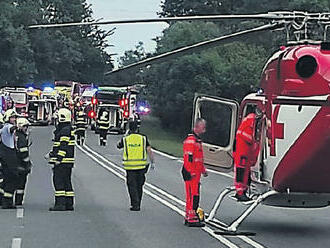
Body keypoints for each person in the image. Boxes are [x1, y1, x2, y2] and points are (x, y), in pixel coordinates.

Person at [117, 120, 154, 211]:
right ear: (137, 128)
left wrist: (125, 136)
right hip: (141, 167)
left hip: (130, 167)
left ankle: (135, 204)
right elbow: (149, 150)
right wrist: (152, 161)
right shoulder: (143, 138)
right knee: (139, 185)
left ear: (129, 129)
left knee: (132, 186)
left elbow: (118, 145)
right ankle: (138, 202)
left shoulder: (126, 139)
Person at [182, 118, 208, 227]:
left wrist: (203, 170)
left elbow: (198, 159)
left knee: (193, 196)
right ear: (197, 127)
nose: (205, 130)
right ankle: (191, 218)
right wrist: (191, 172)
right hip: (191, 174)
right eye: (203, 127)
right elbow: (188, 158)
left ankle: (190, 216)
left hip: (195, 174)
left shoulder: (197, 141)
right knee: (192, 197)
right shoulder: (191, 141)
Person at [48, 108, 75, 211]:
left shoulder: (64, 130)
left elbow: (63, 146)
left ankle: (60, 204)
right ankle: (69, 203)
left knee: (58, 182)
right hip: (67, 162)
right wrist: (51, 154)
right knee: (67, 182)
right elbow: (59, 146)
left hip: (63, 162)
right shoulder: (67, 129)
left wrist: (58, 159)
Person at [233, 108, 262, 202]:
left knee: (244, 171)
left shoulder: (251, 120)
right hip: (243, 150)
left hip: (245, 150)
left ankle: (242, 191)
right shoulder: (251, 120)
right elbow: (250, 137)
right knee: (241, 171)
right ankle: (240, 192)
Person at [0, 109, 19, 209]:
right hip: (8, 157)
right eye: (12, 117)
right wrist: (18, 126)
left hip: (7, 156)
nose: (14, 119)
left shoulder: (3, 128)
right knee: (12, 178)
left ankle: (6, 201)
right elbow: (11, 129)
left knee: (8, 180)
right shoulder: (7, 127)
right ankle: (7, 202)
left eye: (15, 117)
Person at [15, 118, 32, 206]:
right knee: (20, 184)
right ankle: (18, 201)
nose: (26, 128)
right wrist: (28, 164)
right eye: (25, 126)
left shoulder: (14, 135)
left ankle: (6, 201)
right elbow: (23, 152)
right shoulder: (21, 137)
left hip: (13, 164)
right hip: (21, 165)